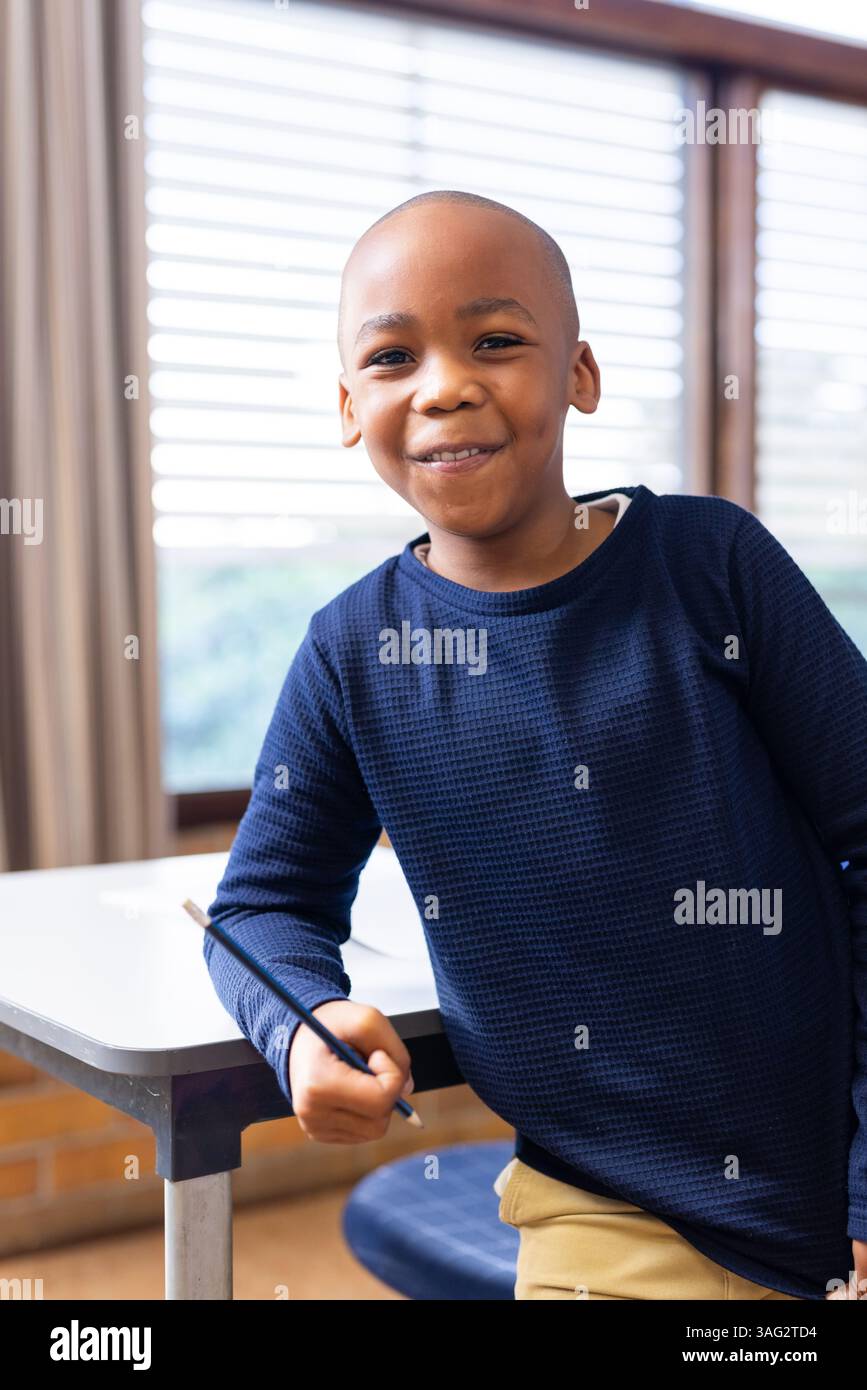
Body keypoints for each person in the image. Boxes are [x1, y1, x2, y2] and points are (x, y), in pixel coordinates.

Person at [204, 189, 867, 1301]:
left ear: (579, 374)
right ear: (348, 406)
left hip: (834, 1165)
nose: (443, 386)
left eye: (496, 342)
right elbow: (257, 908)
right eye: (392, 357)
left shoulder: (712, 565)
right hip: (608, 1213)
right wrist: (301, 1025)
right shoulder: (351, 652)